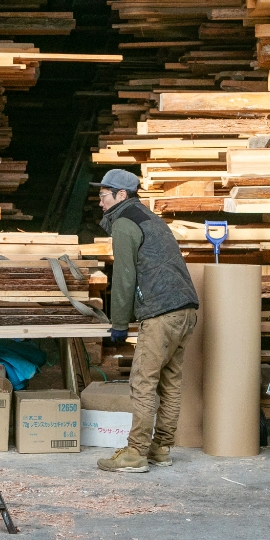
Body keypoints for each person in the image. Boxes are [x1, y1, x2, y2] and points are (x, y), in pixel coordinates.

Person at [92, 168, 199, 473]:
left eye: (103, 196)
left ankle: (136, 453)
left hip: (161, 313)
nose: (100, 202)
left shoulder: (125, 223)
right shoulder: (150, 219)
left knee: (142, 381)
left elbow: (125, 277)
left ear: (121, 196)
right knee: (170, 382)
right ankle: (161, 449)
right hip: (186, 309)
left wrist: (119, 323)